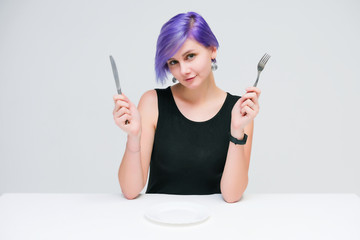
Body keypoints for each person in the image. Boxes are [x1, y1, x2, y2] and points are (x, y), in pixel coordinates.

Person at [112, 12, 261, 203]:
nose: (183, 70)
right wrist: (133, 136)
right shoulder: (152, 102)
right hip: (159, 222)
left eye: (190, 56)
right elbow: (130, 191)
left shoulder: (240, 111)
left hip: (216, 224)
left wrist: (237, 131)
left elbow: (232, 195)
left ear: (213, 50)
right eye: (173, 62)